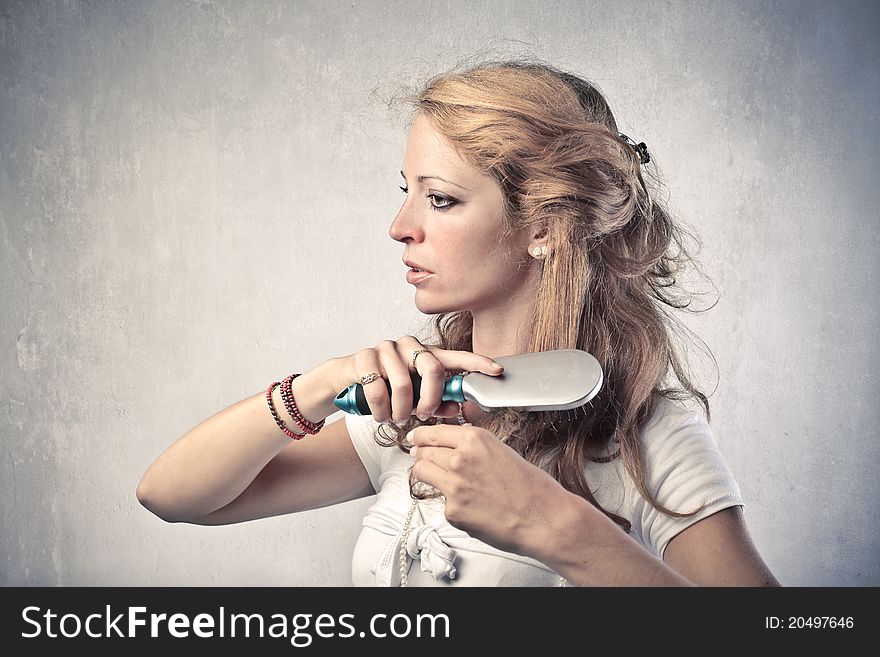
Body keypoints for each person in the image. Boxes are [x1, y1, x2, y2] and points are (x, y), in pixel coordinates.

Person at [137, 58, 780, 587]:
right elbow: (172, 496)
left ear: (543, 228)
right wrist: (323, 386)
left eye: (440, 199)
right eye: (406, 190)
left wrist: (557, 530)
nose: (400, 227)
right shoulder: (418, 408)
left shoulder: (648, 435)